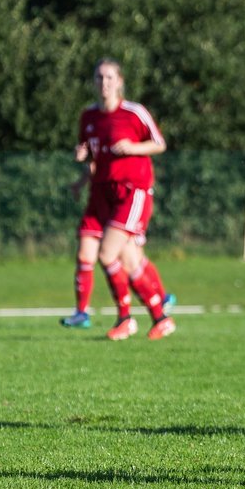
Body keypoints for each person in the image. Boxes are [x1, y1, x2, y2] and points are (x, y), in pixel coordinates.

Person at [67, 59, 177, 341]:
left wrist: (133, 147)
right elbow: (91, 153)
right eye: (99, 78)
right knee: (129, 260)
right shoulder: (89, 116)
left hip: (133, 191)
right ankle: (161, 318)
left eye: (109, 78)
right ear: (93, 82)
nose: (104, 83)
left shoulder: (134, 112)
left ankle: (126, 319)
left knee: (106, 254)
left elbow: (159, 143)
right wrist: (82, 161)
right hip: (103, 193)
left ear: (120, 82)